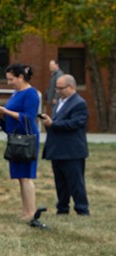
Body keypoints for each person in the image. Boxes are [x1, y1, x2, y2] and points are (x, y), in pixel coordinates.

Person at [0, 63, 40, 220]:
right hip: (15, 138)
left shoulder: (31, 93)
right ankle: (25, 211)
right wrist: (0, 112)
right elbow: (12, 114)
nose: (9, 83)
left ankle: (31, 212)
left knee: (26, 176)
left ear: (21, 77)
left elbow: (29, 117)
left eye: (11, 79)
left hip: (27, 139)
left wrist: (7, 111)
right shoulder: (16, 93)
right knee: (20, 176)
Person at [40, 74, 90, 216]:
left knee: (76, 183)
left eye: (61, 88)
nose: (58, 91)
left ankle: (82, 209)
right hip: (58, 150)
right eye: (57, 88)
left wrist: (53, 124)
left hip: (72, 151)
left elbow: (76, 123)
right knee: (60, 183)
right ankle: (62, 209)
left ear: (71, 87)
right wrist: (49, 123)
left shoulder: (79, 103)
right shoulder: (59, 102)